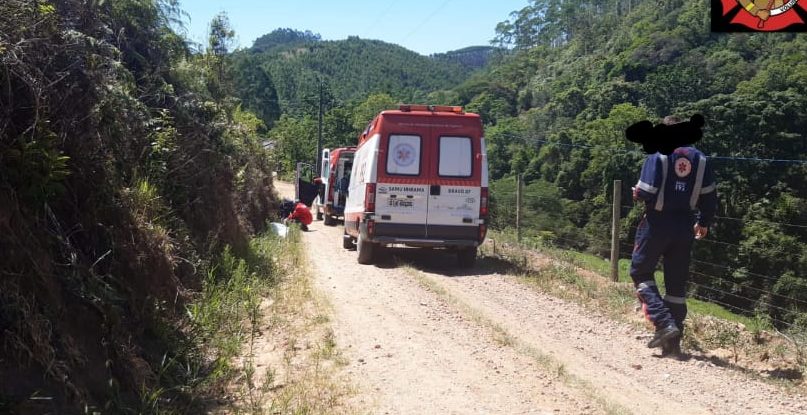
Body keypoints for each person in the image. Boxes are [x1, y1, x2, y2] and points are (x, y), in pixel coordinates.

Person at [630, 116, 718, 358]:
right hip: (686, 226)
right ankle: (673, 344)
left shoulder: (658, 153)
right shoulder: (701, 159)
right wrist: (704, 222)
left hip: (657, 223)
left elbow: (645, 191)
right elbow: (709, 196)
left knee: (640, 271)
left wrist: (635, 193)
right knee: (676, 285)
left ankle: (663, 322)